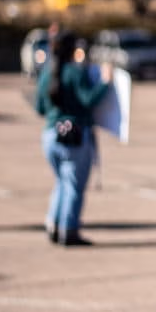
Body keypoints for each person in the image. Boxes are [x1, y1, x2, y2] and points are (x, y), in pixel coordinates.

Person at [36, 30, 111, 247]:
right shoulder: (75, 73)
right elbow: (88, 100)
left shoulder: (46, 74)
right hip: (74, 136)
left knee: (61, 182)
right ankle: (68, 230)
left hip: (50, 136)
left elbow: (40, 108)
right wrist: (105, 82)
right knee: (74, 186)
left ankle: (53, 223)